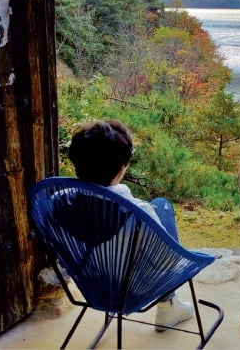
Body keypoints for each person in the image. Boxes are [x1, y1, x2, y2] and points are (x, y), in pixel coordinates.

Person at [68, 119, 194, 332]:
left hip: (93, 284)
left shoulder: (57, 201)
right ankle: (169, 304)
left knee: (156, 208)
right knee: (161, 206)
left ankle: (169, 306)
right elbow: (168, 263)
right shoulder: (137, 213)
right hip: (135, 291)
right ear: (122, 167)